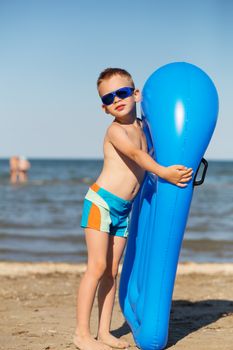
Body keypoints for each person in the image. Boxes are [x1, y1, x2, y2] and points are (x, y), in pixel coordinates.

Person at [74, 68, 193, 350]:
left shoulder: (143, 128)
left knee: (111, 271)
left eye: (123, 92)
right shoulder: (115, 131)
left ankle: (103, 332)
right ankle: (81, 334)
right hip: (100, 203)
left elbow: (151, 152)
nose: (118, 99)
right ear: (104, 107)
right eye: (109, 97)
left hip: (123, 210)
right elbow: (137, 156)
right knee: (97, 267)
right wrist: (165, 173)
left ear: (136, 94)